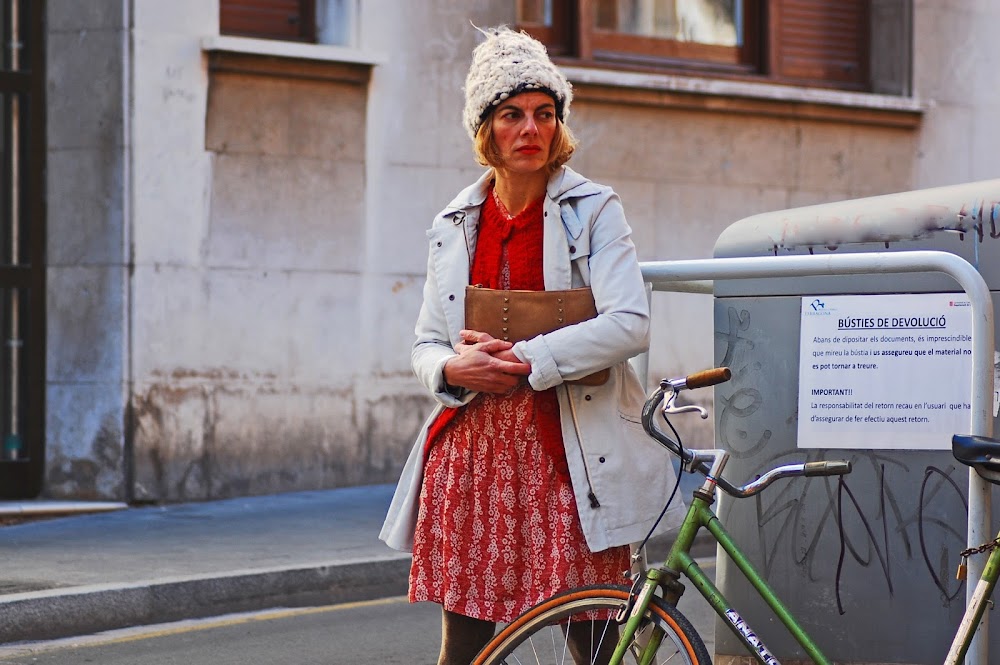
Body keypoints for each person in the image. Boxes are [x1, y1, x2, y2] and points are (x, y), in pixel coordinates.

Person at [379, 25, 684, 665]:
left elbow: (631, 322)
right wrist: (452, 369)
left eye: (545, 114)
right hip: (475, 460)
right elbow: (425, 343)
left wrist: (526, 360)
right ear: (485, 129)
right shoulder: (453, 224)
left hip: (572, 454)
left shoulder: (595, 209)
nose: (531, 130)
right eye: (512, 115)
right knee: (463, 647)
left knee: (592, 637)